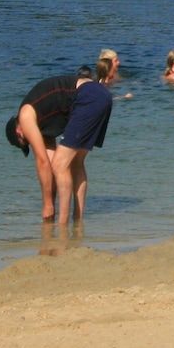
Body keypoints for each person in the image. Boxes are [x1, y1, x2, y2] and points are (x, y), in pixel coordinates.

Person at [51, 51, 121, 226]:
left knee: (60, 164)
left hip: (91, 103)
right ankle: (78, 219)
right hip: (101, 102)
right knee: (77, 161)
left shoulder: (84, 88)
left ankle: (62, 223)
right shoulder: (99, 86)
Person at [6, 68, 81, 220]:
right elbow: (49, 166)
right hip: (86, 97)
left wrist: (47, 205)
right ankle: (77, 224)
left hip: (81, 98)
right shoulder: (43, 124)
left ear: (19, 132)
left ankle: (64, 226)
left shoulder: (25, 116)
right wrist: (50, 203)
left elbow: (42, 162)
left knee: (64, 165)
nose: (30, 142)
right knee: (69, 165)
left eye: (25, 141)